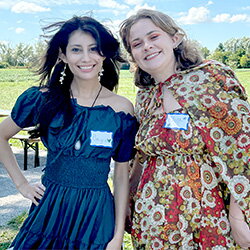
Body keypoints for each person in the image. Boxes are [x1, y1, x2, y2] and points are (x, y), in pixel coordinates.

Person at [0, 15, 138, 249]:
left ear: (104, 53)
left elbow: (121, 175)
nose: (86, 58)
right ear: (63, 55)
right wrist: (22, 185)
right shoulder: (42, 99)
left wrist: (116, 237)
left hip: (96, 214)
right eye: (76, 49)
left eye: (94, 49)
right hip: (50, 208)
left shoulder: (121, 109)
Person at [119, 9, 250, 249]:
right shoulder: (146, 96)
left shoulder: (210, 78)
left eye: (153, 37)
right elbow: (142, 156)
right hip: (152, 218)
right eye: (137, 44)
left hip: (206, 214)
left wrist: (237, 216)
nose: (146, 46)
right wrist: (127, 199)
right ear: (133, 55)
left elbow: (242, 149)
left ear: (175, 38)